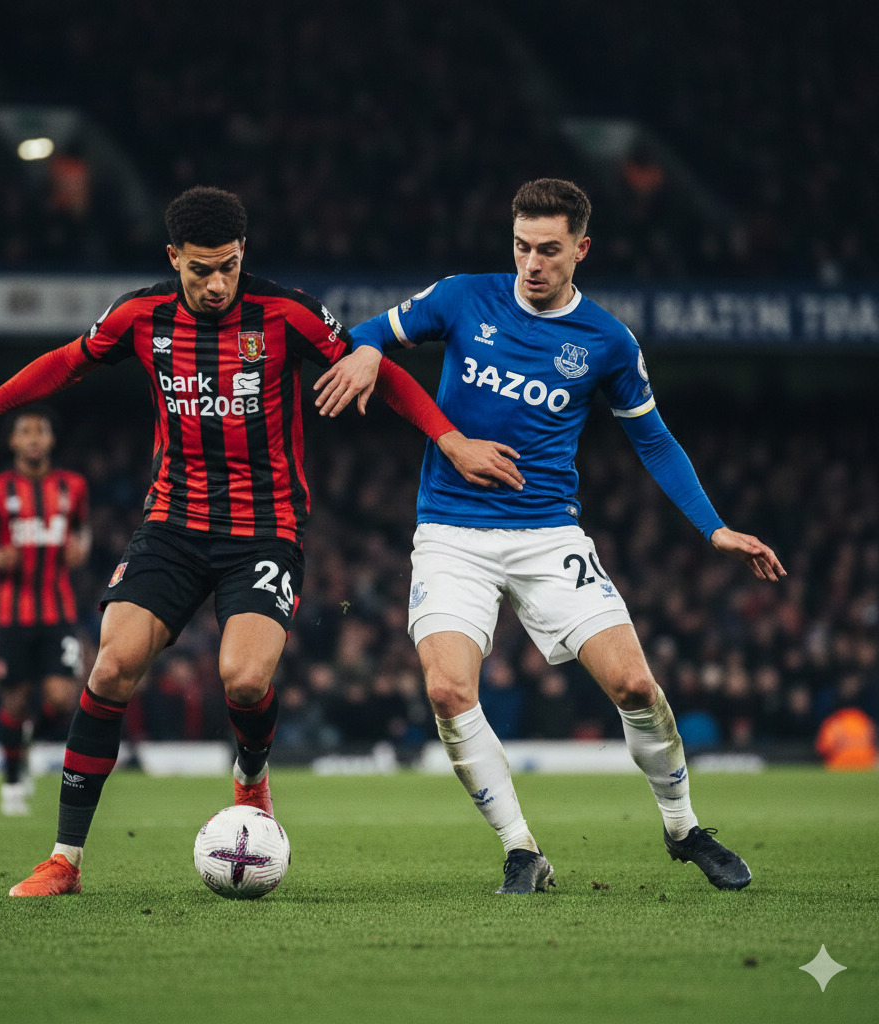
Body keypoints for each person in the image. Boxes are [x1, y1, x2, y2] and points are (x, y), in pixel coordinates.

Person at [0, 185, 519, 897]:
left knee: (243, 679)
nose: (215, 283)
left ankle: (252, 776)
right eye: (200, 268)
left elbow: (377, 368)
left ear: (245, 256)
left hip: (265, 529)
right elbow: (67, 360)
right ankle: (65, 859)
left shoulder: (286, 313)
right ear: (172, 257)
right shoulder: (140, 316)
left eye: (229, 267)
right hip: (171, 525)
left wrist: (449, 440)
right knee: (111, 667)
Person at [314, 177, 786, 894]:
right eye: (521, 247)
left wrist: (712, 527)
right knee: (446, 691)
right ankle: (520, 849)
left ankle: (685, 829)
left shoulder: (606, 341)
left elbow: (654, 441)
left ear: (581, 249)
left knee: (634, 682)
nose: (532, 264)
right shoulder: (465, 296)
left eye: (549, 250)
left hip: (547, 534)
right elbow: (374, 331)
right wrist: (371, 351)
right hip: (450, 532)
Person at [0, 407, 90, 816]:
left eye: (41, 430)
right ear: (13, 442)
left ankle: (31, 737)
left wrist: (81, 546)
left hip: (60, 610)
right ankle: (13, 782)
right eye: (25, 432)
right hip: (12, 614)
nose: (34, 438)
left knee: (63, 698)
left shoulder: (73, 486)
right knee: (14, 701)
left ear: (51, 440)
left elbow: (84, 527)